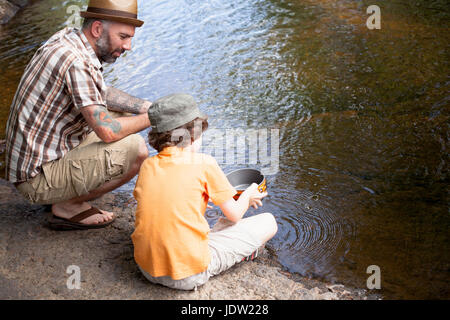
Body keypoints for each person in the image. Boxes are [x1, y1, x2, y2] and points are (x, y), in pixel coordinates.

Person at [4, 0, 151, 230]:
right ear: (97, 29)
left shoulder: (69, 39)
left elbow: (98, 92)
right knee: (137, 150)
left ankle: (64, 192)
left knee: (124, 113)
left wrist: (145, 107)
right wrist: (156, 117)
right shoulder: (77, 62)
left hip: (37, 157)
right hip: (35, 178)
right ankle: (67, 206)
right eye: (123, 36)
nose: (128, 46)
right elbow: (108, 132)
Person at [132, 93, 278, 290]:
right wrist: (248, 195)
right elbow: (234, 214)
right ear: (193, 133)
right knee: (269, 221)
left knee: (211, 223)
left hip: (146, 268)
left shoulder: (148, 165)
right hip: (188, 275)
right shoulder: (204, 162)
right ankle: (244, 253)